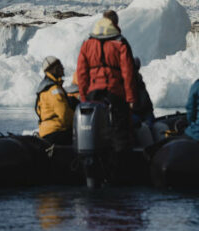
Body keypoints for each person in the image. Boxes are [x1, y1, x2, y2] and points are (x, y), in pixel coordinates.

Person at [76, 10, 138, 152]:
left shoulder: (87, 43)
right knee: (120, 134)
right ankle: (120, 167)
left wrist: (84, 98)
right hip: (114, 93)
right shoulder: (120, 43)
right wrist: (131, 98)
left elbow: (81, 73)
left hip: (93, 95)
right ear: (115, 23)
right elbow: (128, 72)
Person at [35, 56, 75, 145]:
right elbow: (64, 115)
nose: (63, 68)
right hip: (56, 132)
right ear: (55, 69)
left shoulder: (44, 88)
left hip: (46, 131)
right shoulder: (54, 90)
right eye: (60, 66)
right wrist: (77, 121)